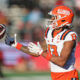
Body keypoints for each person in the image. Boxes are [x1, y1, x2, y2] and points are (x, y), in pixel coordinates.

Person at [5, 6, 79, 80]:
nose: (51, 19)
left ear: (63, 19)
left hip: (68, 76)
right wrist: (15, 44)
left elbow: (61, 62)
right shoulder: (50, 32)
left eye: (55, 17)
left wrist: (41, 52)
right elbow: (36, 52)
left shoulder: (69, 36)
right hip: (55, 75)